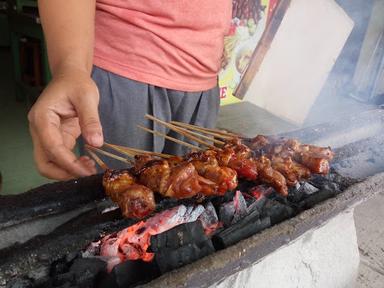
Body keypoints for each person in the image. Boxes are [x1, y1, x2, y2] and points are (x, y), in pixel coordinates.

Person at [28, 0, 232, 180]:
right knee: (118, 207)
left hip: (205, 76)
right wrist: (70, 66)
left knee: (196, 197)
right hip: (123, 71)